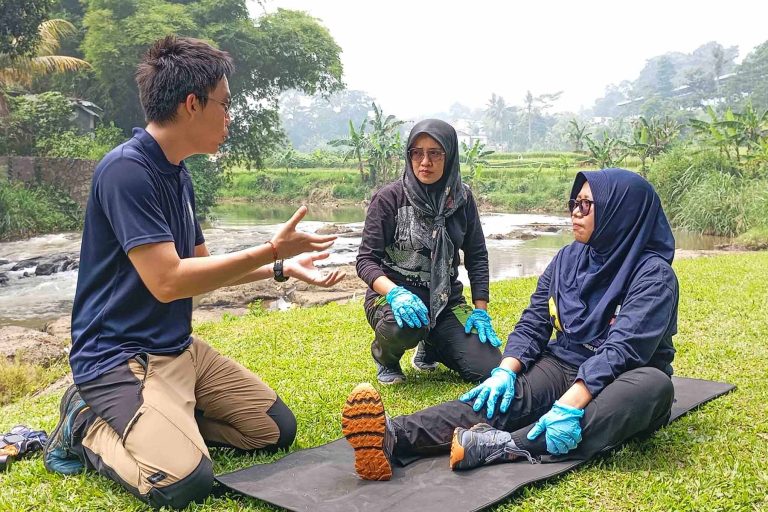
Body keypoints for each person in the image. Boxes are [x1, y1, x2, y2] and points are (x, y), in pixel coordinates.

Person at [42, 36, 344, 509]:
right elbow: (168, 282)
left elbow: (199, 266)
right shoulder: (126, 171)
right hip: (118, 358)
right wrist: (269, 247)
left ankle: (168, 426)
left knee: (273, 430)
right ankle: (83, 425)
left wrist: (280, 265)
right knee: (184, 482)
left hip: (179, 351)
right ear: (191, 104)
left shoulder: (177, 172)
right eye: (223, 105)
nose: (228, 118)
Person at [343, 168, 678, 481]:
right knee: (499, 399)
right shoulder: (568, 258)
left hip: (625, 375)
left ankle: (507, 445)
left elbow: (624, 349)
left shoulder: (654, 275)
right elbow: (534, 321)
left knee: (653, 387)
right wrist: (506, 370)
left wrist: (571, 401)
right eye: (574, 203)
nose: (576, 211)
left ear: (621, 212)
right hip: (565, 361)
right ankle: (394, 435)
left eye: (587, 204)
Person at [356, 119, 503, 385]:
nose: (425, 161)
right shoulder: (389, 198)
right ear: (409, 155)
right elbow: (366, 261)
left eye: (435, 153)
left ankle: (433, 345)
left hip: (446, 301)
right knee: (405, 327)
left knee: (489, 369)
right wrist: (395, 293)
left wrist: (481, 311)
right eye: (417, 152)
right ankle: (385, 358)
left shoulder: (462, 199)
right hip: (393, 299)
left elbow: (477, 256)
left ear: (450, 155)